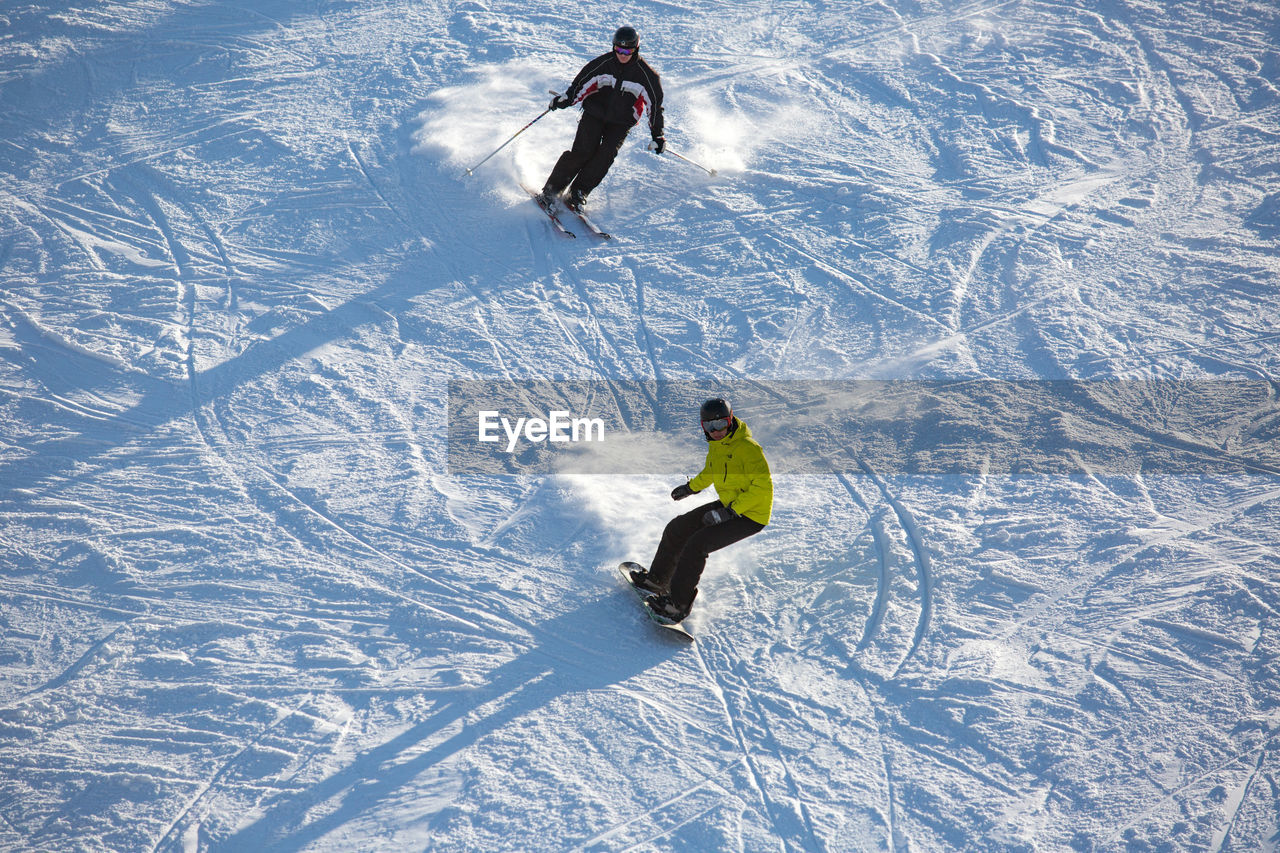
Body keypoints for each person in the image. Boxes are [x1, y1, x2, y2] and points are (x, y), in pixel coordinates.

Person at [630, 398, 773, 623]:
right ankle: (658, 580)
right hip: (730, 504)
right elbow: (710, 471)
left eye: (721, 424)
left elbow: (762, 489)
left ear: (731, 420)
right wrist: (690, 488)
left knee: (697, 545)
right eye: (709, 426)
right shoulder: (717, 446)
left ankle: (677, 606)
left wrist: (730, 512)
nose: (716, 431)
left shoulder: (749, 449)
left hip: (750, 515)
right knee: (677, 528)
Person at [538, 26, 665, 212]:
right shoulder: (603, 64)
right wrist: (567, 99)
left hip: (621, 122)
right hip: (594, 114)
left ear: (636, 49)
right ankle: (551, 191)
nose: (622, 54)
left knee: (606, 155)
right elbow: (581, 84)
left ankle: (578, 192)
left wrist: (658, 135)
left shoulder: (647, 76)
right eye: (618, 49)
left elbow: (654, 107)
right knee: (583, 151)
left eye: (627, 50)